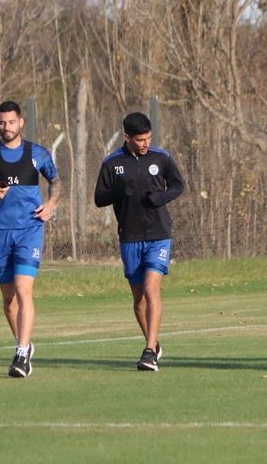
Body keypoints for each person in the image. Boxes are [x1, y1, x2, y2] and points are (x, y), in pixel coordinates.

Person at [0, 101, 61, 378]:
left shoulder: (37, 154)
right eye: (1, 123)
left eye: (10, 122)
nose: (6, 127)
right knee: (9, 300)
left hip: (30, 229)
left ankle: (21, 354)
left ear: (21, 122)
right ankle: (24, 343)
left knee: (23, 290)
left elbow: (55, 181)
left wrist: (52, 203)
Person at [94, 112, 185, 371]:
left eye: (148, 138)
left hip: (159, 234)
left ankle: (148, 351)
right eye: (140, 140)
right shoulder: (112, 163)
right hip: (130, 236)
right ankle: (154, 343)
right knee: (138, 299)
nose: (146, 144)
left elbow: (179, 185)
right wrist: (117, 191)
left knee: (150, 287)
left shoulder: (161, 157)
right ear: (127, 138)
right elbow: (99, 198)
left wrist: (161, 198)